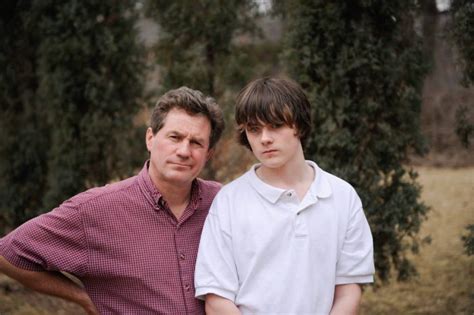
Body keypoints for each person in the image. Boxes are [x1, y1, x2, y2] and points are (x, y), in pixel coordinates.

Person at [0, 87, 225, 314]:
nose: (184, 151)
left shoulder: (224, 203)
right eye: (174, 137)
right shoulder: (95, 210)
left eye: (196, 143)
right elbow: (8, 254)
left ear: (208, 153)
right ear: (150, 138)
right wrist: (84, 298)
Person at [194, 77, 375, 315]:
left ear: (298, 125)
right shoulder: (228, 202)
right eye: (254, 129)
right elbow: (217, 300)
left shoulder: (342, 196)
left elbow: (348, 289)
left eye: (276, 125)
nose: (265, 138)